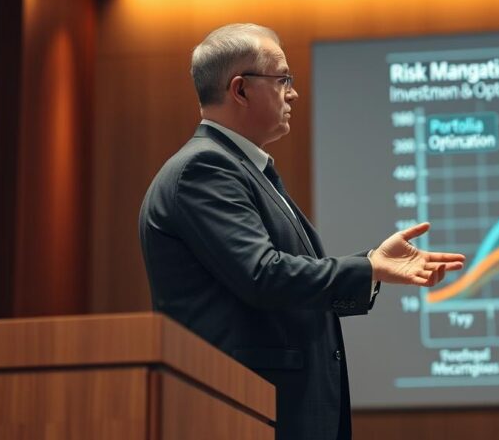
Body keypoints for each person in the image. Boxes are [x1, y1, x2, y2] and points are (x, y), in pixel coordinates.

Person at [138, 23, 464, 440]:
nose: (293, 93)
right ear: (240, 90)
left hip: (270, 408)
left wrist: (372, 266)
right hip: (242, 410)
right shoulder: (204, 170)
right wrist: (368, 268)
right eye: (282, 79)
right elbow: (264, 275)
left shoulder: (245, 169)